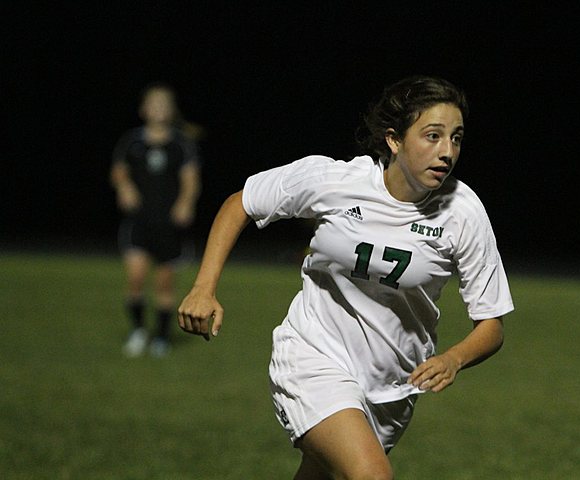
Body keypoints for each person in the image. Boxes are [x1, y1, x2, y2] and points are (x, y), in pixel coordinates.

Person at [178, 76, 513, 479]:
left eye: (456, 138)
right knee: (372, 475)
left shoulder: (463, 211)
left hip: (394, 384)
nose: (447, 152)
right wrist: (203, 288)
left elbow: (492, 324)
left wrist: (453, 359)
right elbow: (242, 204)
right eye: (432, 136)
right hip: (314, 356)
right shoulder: (335, 181)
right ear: (394, 140)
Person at [111, 82, 202, 358]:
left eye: (165, 105)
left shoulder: (180, 144)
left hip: (168, 225)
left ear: (171, 111)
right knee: (136, 278)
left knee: (164, 283)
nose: (159, 110)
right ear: (144, 109)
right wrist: (124, 188)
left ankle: (162, 338)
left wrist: (185, 204)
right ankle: (139, 331)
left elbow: (191, 180)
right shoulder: (132, 142)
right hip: (139, 222)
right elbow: (118, 172)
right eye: (154, 104)